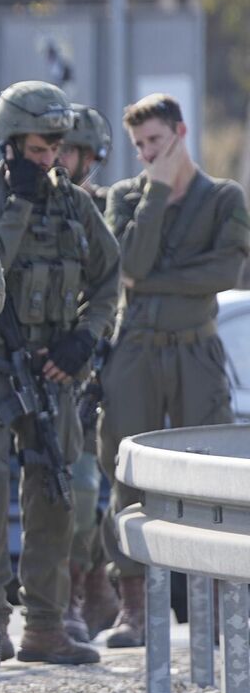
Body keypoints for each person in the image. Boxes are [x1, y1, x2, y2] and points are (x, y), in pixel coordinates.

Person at [0, 81, 119, 664]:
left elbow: (106, 279)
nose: (51, 157)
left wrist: (83, 340)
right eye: (41, 146)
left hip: (53, 368)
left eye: (57, 146)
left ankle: (45, 623)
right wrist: (18, 207)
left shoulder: (75, 202)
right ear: (12, 141)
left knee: (55, 490)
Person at [98, 94, 250, 646]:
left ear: (181, 133)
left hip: (195, 350)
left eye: (155, 142)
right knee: (127, 474)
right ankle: (134, 607)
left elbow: (224, 271)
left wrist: (154, 279)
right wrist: (157, 192)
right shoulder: (127, 198)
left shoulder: (222, 198)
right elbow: (128, 266)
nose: (145, 154)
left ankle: (215, 606)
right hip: (135, 350)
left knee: (212, 476)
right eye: (139, 146)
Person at [57, 105, 122, 640]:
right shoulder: (24, 205)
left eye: (79, 153)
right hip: (41, 371)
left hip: (95, 374)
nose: (67, 161)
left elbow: (113, 284)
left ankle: (87, 586)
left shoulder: (101, 210)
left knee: (95, 493)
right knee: (65, 495)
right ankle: (72, 594)